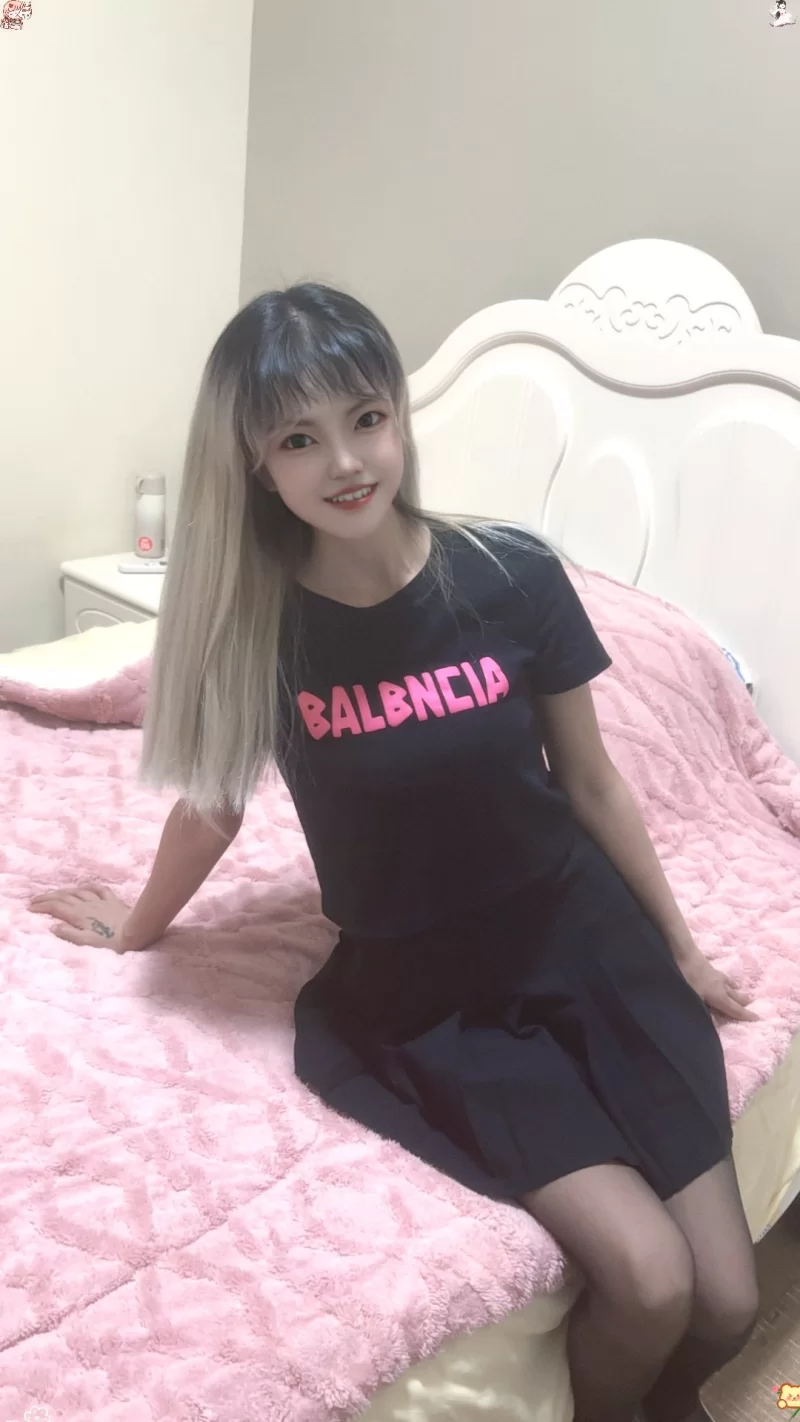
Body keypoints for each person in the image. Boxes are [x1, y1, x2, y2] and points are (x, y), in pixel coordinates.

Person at [30, 284, 760, 1422]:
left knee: (727, 1302)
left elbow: (592, 782)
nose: (344, 461)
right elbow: (212, 808)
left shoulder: (510, 574)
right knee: (650, 1281)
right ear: (255, 460)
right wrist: (135, 927)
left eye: (366, 418)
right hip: (432, 995)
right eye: (298, 438)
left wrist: (681, 945)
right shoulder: (259, 626)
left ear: (398, 417)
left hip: (584, 942)